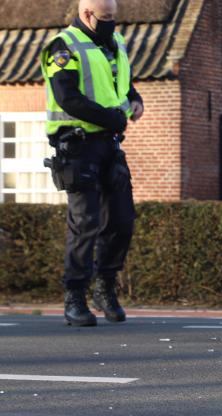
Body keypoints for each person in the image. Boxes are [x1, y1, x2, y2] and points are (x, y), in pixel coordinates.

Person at [40, 0, 143, 326]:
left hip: (110, 145)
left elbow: (120, 83)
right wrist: (111, 118)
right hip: (78, 146)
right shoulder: (62, 47)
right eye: (106, 18)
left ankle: (105, 286)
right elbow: (66, 96)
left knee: (123, 220)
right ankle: (74, 296)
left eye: (114, 17)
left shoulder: (116, 44)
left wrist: (135, 98)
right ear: (87, 15)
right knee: (85, 223)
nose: (112, 23)